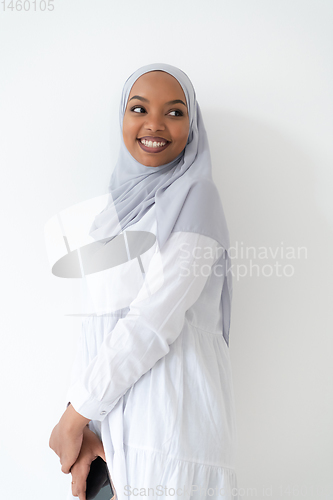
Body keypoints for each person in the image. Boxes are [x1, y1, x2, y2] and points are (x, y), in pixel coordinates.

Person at [49, 63, 239, 500]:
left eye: (175, 112)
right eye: (139, 108)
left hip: (173, 433)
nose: (155, 124)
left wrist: (74, 417)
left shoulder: (196, 196)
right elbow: (94, 330)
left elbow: (154, 320)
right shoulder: (107, 217)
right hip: (107, 436)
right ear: (123, 116)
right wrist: (83, 428)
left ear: (192, 125)